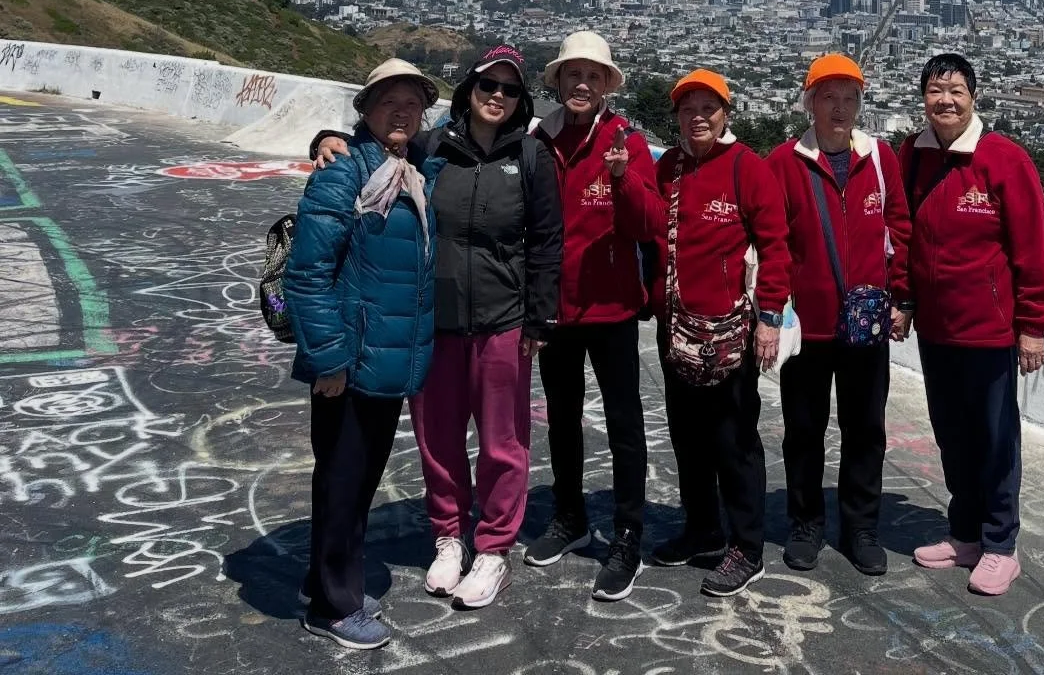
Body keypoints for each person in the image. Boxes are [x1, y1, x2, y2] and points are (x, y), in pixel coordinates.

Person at [317, 47, 563, 609]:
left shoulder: (531, 157)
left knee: (504, 443)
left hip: (505, 320)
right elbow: (374, 144)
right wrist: (324, 140)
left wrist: (540, 318)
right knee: (438, 440)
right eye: (486, 86)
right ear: (468, 91)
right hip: (436, 322)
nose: (496, 97)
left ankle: (494, 546)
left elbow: (548, 242)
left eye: (508, 90)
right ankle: (450, 537)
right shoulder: (432, 149)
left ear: (521, 100)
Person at [614, 68, 791, 598]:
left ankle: (747, 546)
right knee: (687, 437)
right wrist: (624, 178)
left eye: (708, 108)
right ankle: (701, 527)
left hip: (729, 333)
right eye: (688, 109)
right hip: (677, 331)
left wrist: (770, 318)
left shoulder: (747, 169)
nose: (698, 118)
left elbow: (777, 246)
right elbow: (645, 225)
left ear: (726, 113)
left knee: (734, 441)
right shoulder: (668, 166)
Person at [287, 59, 443, 651]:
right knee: (344, 479)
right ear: (365, 110)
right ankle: (333, 605)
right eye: (388, 102)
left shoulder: (409, 169)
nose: (402, 111)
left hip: (382, 357)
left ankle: (321, 581)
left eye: (412, 103)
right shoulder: (343, 174)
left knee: (352, 478)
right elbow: (307, 274)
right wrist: (328, 359)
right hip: (349, 359)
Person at [898, 52, 1044, 598]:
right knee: (951, 434)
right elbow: (903, 236)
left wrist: (1033, 323)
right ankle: (964, 532)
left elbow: (1031, 248)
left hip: (989, 328)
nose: (945, 100)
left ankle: (999, 545)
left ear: (974, 98)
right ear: (923, 98)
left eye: (956, 91)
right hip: (936, 328)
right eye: (935, 90)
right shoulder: (913, 155)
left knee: (994, 438)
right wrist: (906, 300)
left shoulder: (1005, 160)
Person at [522, 30, 660, 604]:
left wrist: (624, 175)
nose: (582, 84)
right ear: (557, 82)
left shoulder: (627, 139)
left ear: (607, 85)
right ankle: (569, 513)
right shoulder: (537, 138)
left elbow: (649, 224)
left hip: (612, 307)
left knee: (626, 424)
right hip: (556, 307)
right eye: (572, 75)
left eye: (593, 76)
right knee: (562, 417)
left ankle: (628, 534)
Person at [766, 53, 912, 578]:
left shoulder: (880, 159)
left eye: (850, 98)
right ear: (809, 103)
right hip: (808, 326)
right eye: (829, 97)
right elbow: (773, 243)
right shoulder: (784, 162)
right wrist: (772, 312)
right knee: (803, 429)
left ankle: (860, 526)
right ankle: (805, 523)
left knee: (865, 428)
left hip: (867, 322)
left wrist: (903, 297)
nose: (840, 108)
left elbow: (901, 229)